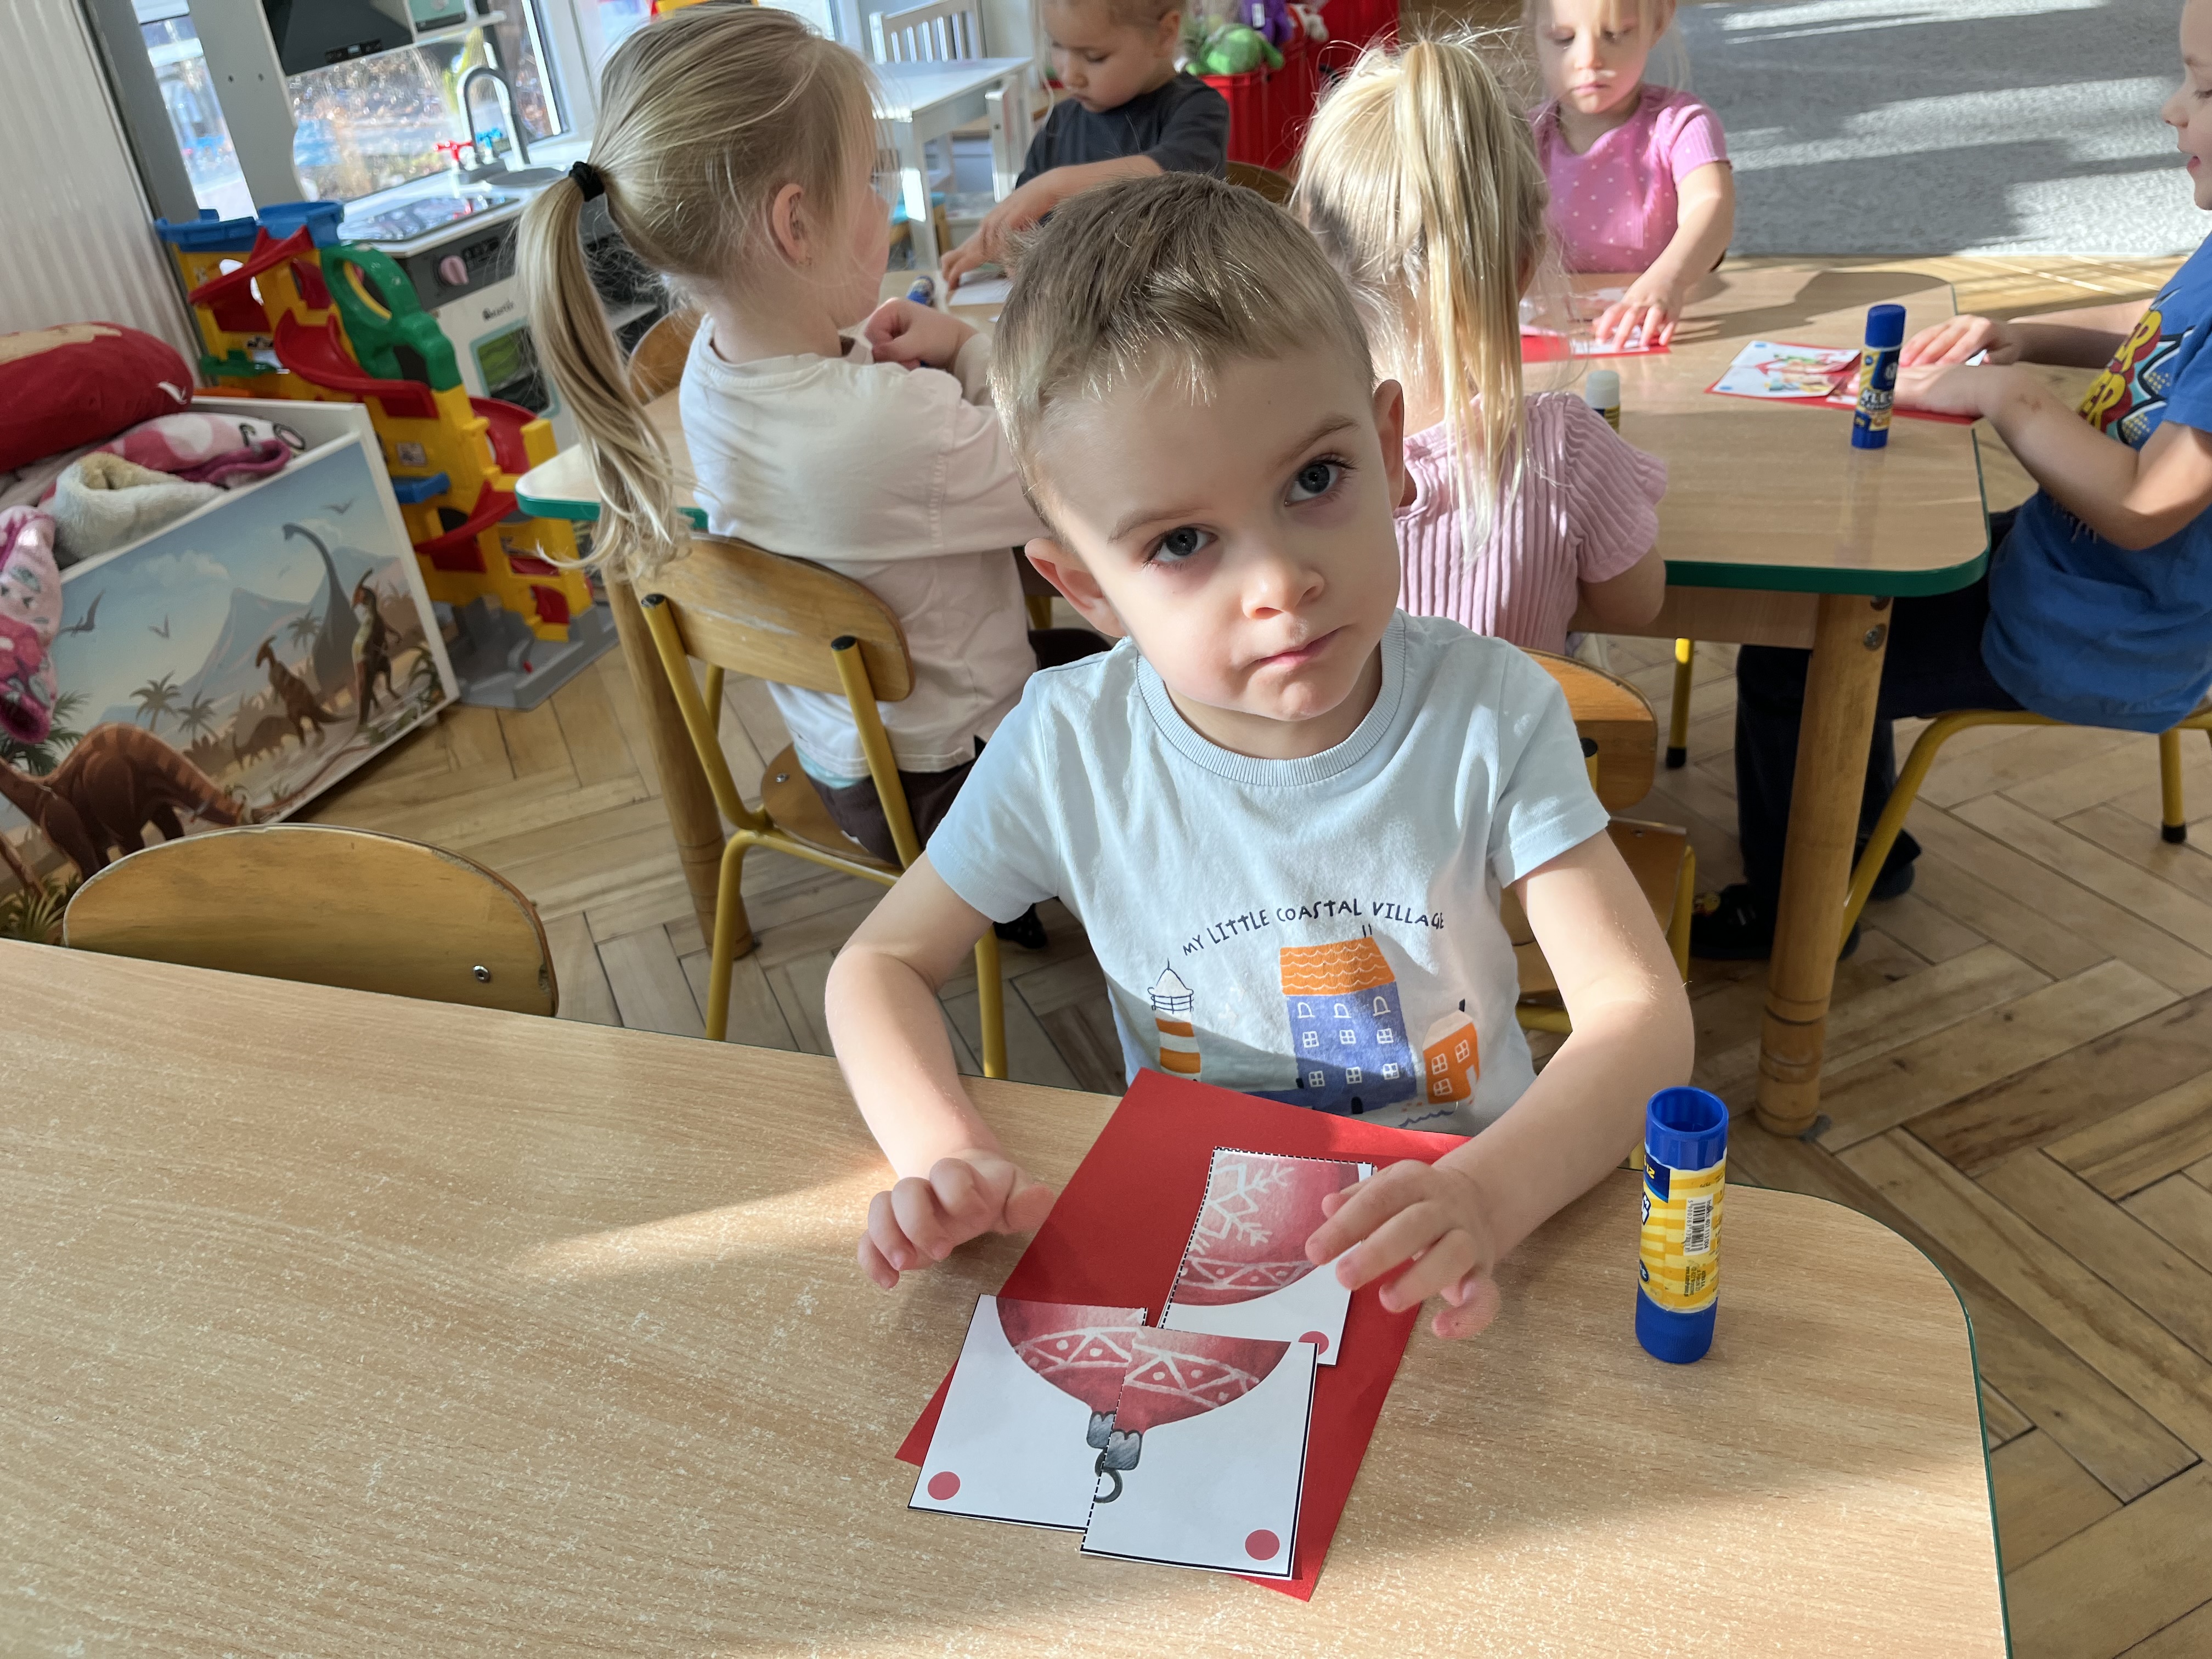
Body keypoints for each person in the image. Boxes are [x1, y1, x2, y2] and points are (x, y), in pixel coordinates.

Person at [824, 173, 1692, 1341]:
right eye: (1182, 541)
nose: (1280, 581)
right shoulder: (1070, 746)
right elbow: (876, 965)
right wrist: (943, 1152)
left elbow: (1642, 1017)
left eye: (1314, 480)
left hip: (1474, 1228)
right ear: (1087, 590)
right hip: (1200, 1241)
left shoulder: (1492, 712)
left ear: (1389, 448)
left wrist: (1487, 1195)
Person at [515, 5, 1092, 944]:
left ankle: (1009, 909)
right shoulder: (888, 429)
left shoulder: (711, 369)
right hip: (957, 787)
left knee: (1086, 657)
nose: (882, 204)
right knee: (1172, 682)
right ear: (795, 224)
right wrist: (969, 349)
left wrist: (889, 355)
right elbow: (1068, 480)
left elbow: (859, 439)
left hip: (849, 766)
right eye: (865, 182)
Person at [1692, 0, 2212, 960]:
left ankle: (1797, 917)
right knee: (1855, 596)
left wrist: (2007, 396)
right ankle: (1857, 845)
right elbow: (2161, 323)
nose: (2171, 108)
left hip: (2101, 633)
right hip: (2073, 570)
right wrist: (2028, 335)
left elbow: (2144, 507)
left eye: (2205, 89)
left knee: (1791, 661)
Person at [1297, 33, 1666, 654]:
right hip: (1520, 724)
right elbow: (1638, 605)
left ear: (1309, 252)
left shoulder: (1281, 459)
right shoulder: (1567, 449)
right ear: (1521, 268)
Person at [937, 0, 1228, 290]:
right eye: (1056, 45)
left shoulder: (1198, 108)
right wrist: (999, 245)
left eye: (1094, 57)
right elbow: (1026, 226)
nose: (1068, 75)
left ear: (1164, 35)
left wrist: (1054, 187)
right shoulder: (1059, 124)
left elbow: (1179, 173)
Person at [1527, 0, 1734, 348]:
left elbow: (1711, 204)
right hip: (1556, 333)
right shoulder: (1523, 135)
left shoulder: (1681, 123)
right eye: (1563, 38)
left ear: (1658, 22)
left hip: (1662, 326)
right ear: (1532, 31)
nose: (1589, 60)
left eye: (1615, 34)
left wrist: (1669, 279)